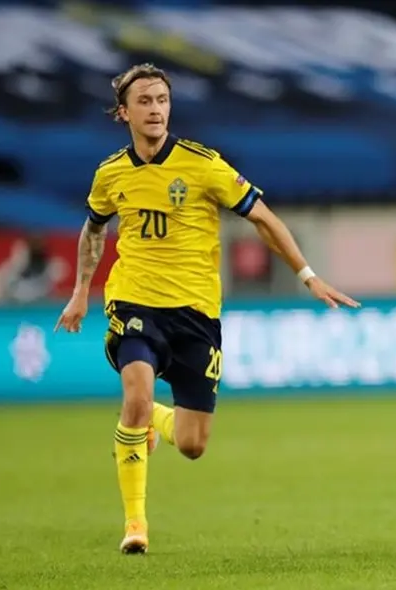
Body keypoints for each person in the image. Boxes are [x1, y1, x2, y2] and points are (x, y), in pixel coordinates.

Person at [54, 63, 359, 554]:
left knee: (194, 444)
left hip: (197, 313)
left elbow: (262, 217)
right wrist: (80, 291)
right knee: (134, 391)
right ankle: (136, 525)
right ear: (124, 112)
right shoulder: (111, 174)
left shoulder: (203, 165)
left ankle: (149, 417)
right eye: (145, 102)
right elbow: (94, 230)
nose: (155, 110)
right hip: (134, 300)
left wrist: (308, 275)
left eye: (162, 100)